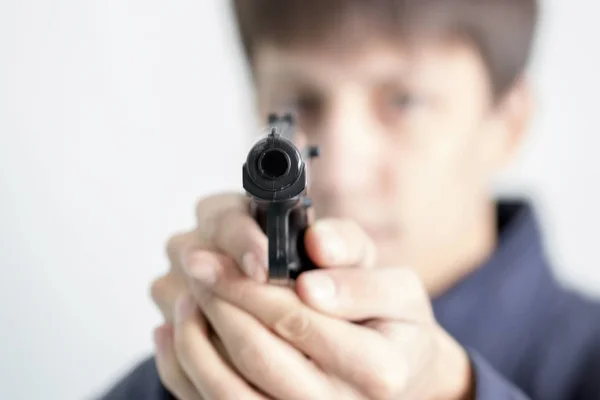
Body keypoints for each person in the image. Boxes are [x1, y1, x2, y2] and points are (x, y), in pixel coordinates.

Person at [100, 0, 600, 399]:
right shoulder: (192, 373)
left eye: (404, 101)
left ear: (508, 124)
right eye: (298, 102)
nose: (338, 172)